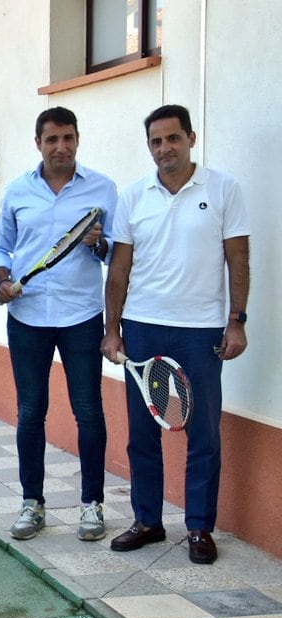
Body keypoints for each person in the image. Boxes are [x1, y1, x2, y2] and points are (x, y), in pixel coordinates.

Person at [101, 104, 250, 565]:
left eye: (172, 138)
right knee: (142, 432)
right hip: (143, 328)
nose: (165, 148)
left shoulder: (224, 189)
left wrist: (236, 320)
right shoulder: (133, 196)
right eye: (156, 141)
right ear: (149, 147)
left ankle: (199, 527)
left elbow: (238, 261)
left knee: (203, 433)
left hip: (201, 330)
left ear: (191, 138)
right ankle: (147, 520)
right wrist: (112, 330)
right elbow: (119, 268)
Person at [0, 107, 117, 542]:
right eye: (51, 139)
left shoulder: (102, 189)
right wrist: (2, 279)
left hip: (81, 315)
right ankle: (32, 503)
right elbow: (1, 244)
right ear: (38, 143)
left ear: (78, 139)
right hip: (27, 317)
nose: (60, 146)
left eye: (68, 138)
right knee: (30, 412)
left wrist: (99, 246)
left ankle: (92, 506)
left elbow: (117, 253)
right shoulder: (18, 191)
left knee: (88, 412)